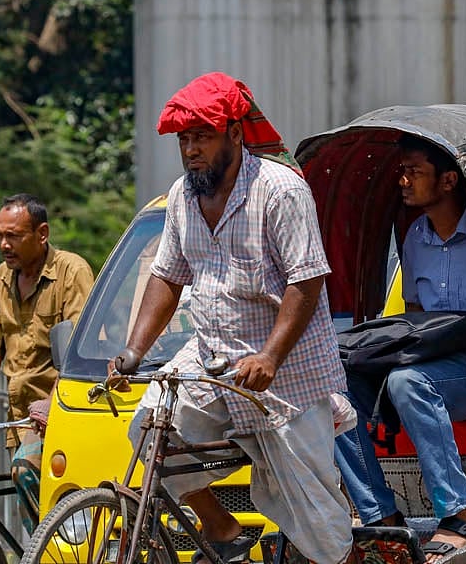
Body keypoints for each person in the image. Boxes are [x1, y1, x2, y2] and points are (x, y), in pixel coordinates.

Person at [111, 72, 356, 564]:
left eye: (202, 137)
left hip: (286, 377)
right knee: (149, 430)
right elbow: (167, 276)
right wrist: (133, 351)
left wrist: (270, 356)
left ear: (236, 135)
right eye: (185, 140)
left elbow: (306, 281)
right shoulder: (182, 196)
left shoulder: (281, 190)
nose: (191, 150)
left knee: (320, 529)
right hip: (212, 360)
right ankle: (223, 532)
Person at [335, 134, 466, 563]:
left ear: (449, 180)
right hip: (433, 359)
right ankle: (381, 514)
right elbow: (415, 314)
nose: (403, 181)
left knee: (407, 382)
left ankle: (459, 512)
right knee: (334, 386)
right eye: (402, 172)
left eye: (413, 172)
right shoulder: (415, 236)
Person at [0, 193, 94, 534]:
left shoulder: (71, 272)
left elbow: (78, 352)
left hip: (64, 411)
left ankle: (60, 554)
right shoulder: (0, 279)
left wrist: (54, 402)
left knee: (26, 471)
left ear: (42, 234)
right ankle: (43, 551)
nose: (4, 244)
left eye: (13, 236)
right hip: (21, 418)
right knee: (23, 485)